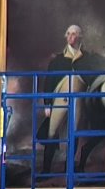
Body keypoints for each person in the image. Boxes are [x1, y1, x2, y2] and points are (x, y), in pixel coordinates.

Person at [35, 24, 93, 173]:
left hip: (78, 101)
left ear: (80, 36)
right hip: (60, 100)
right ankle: (46, 169)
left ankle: (69, 168)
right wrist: (47, 104)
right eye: (68, 34)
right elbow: (49, 82)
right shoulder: (57, 60)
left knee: (74, 134)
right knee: (51, 133)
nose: (70, 37)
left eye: (73, 34)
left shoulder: (87, 59)